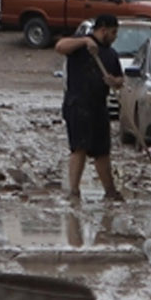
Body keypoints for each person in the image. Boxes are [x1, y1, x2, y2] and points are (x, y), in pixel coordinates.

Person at [55, 13, 124, 202]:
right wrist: (85, 41)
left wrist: (114, 81)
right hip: (78, 104)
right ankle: (74, 191)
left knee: (102, 150)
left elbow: (120, 80)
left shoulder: (110, 54)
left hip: (98, 106)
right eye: (113, 32)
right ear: (103, 30)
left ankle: (110, 191)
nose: (115, 36)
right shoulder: (80, 44)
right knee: (80, 147)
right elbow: (60, 47)